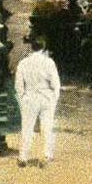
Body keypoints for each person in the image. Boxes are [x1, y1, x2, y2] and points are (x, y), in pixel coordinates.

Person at [15, 36, 61, 167]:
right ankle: (46, 154)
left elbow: (18, 85)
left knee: (27, 127)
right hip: (46, 96)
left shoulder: (23, 63)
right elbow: (56, 84)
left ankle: (23, 157)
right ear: (44, 47)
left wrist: (22, 98)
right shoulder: (49, 62)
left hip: (30, 96)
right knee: (47, 127)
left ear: (31, 47)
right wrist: (54, 99)